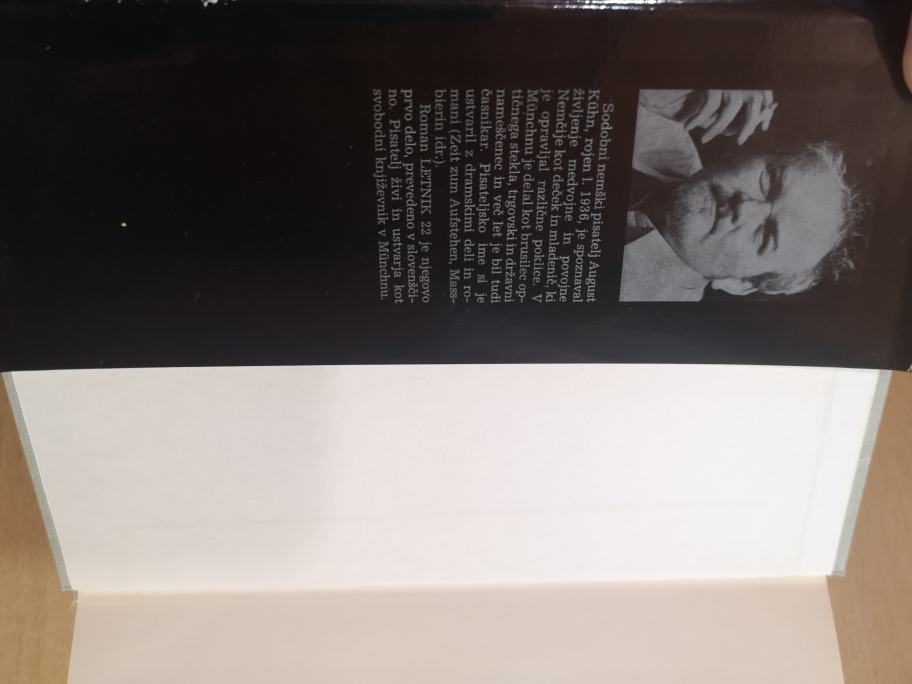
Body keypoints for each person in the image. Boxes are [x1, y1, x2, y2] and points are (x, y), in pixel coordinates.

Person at [621, 89, 859, 302]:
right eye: (769, 182)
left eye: (765, 236)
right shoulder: (671, 131)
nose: (745, 207)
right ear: (749, 154)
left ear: (739, 284)